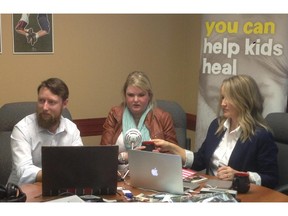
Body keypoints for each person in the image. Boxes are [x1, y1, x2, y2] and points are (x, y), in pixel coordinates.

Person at [152, 75, 279, 189]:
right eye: (222, 97)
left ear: (244, 100)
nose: (223, 103)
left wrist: (241, 175)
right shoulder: (217, 126)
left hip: (239, 195)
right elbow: (199, 160)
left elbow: (271, 179)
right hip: (210, 190)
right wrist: (171, 147)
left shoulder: (261, 135)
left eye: (229, 98)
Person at [8, 78, 83, 185]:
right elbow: (24, 170)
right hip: (22, 192)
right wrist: (58, 174)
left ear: (64, 104)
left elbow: (79, 163)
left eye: (51, 102)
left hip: (59, 188)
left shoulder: (71, 129)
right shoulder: (22, 129)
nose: (45, 107)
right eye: (41, 101)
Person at [100, 71, 178, 162]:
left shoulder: (163, 117)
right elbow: (103, 155)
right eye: (131, 95)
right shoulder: (115, 114)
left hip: (153, 171)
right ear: (125, 96)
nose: (136, 100)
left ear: (149, 96)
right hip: (120, 172)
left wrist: (159, 156)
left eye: (141, 95)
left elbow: (175, 155)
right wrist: (124, 157)